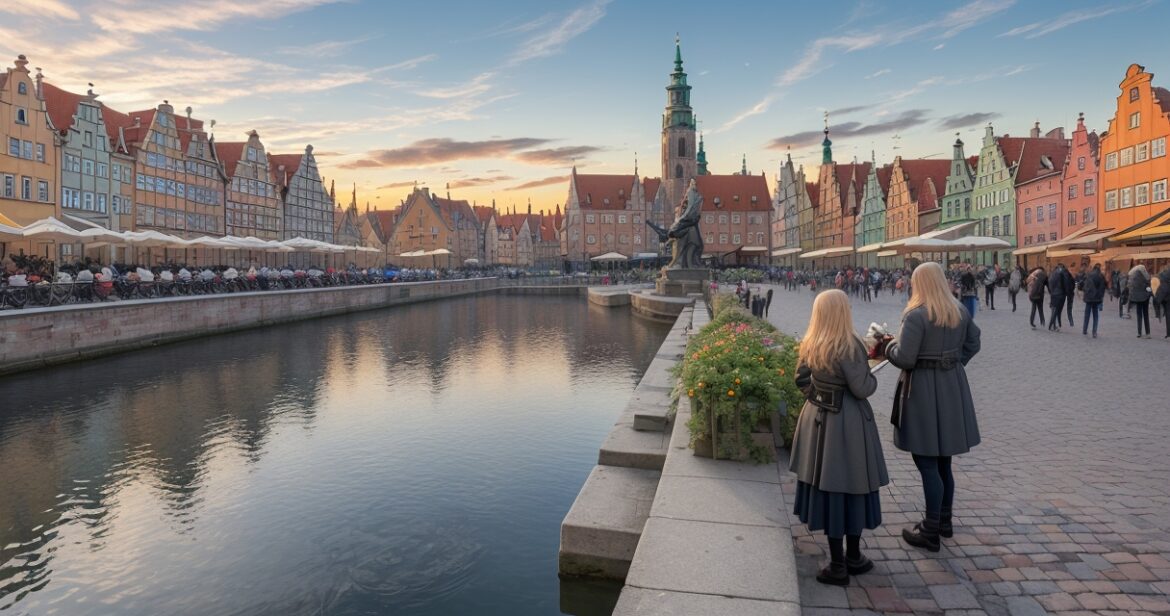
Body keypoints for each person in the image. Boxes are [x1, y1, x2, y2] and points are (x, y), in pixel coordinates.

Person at [790, 289, 889, 586]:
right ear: (844, 311)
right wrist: (873, 370)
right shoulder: (850, 345)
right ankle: (852, 558)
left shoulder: (811, 343)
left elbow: (801, 379)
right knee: (852, 486)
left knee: (828, 487)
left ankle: (836, 562)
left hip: (818, 420)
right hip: (848, 423)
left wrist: (819, 397)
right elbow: (862, 388)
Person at [884, 262, 981, 552]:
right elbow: (974, 343)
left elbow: (905, 358)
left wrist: (887, 346)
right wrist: (953, 364)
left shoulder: (916, 316)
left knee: (927, 462)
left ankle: (930, 530)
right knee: (943, 462)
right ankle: (944, 521)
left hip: (924, 391)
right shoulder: (958, 310)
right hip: (951, 388)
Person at [1082, 264, 1106, 338]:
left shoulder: (1089, 275)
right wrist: (1100, 298)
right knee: (1095, 316)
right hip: (1096, 299)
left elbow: (1085, 287)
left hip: (1089, 298)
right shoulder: (1101, 276)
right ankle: (1094, 332)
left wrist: (1085, 294)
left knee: (1087, 315)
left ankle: (1084, 330)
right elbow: (1102, 289)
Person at [1129, 264, 1152, 338]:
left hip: (1137, 298)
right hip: (1145, 298)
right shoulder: (1146, 276)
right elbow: (1149, 287)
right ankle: (1148, 333)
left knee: (1139, 315)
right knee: (1146, 314)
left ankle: (1139, 332)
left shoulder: (1133, 277)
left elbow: (1131, 287)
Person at [1047, 264, 1066, 331]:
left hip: (1053, 294)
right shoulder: (1061, 274)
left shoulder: (1052, 274)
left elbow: (1049, 284)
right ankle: (1051, 325)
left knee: (1053, 310)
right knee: (1056, 311)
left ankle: (1054, 326)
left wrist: (1051, 292)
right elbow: (1065, 284)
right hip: (1059, 294)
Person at [1155, 266, 1170, 338]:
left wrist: (1159, 298)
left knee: (1168, 314)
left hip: (1166, 298)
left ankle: (1169, 333)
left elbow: (1163, 288)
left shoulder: (1163, 276)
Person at [1062, 264, 1076, 328]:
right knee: (1067, 308)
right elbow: (1073, 284)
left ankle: (1069, 321)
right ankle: (1070, 321)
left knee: (1065, 308)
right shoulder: (1067, 275)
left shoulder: (1062, 275)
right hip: (1068, 293)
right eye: (1071, 269)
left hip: (1066, 293)